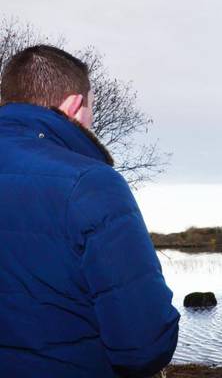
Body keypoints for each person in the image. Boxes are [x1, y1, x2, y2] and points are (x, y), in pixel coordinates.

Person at [0, 45, 180, 377]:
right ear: (74, 106)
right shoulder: (90, 184)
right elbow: (143, 345)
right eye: (91, 108)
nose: (92, 121)